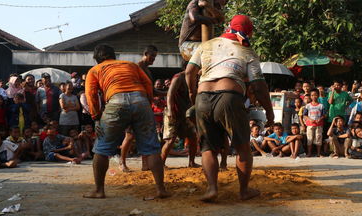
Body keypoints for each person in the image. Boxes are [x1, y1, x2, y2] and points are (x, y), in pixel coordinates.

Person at [186, 15, 274, 202]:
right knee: (242, 147)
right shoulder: (247, 51)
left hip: (203, 97)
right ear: (249, 32)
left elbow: (189, 71)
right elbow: (258, 86)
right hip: (229, 97)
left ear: (228, 27)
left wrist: (192, 93)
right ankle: (243, 191)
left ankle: (211, 189)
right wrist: (270, 111)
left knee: (208, 147)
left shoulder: (206, 45)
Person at [84, 44, 169, 199]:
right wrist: (146, 104)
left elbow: (90, 94)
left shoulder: (95, 70)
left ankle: (99, 190)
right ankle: (161, 190)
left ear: (96, 58)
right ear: (113, 56)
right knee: (151, 148)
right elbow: (148, 84)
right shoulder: (130, 65)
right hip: (141, 100)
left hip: (115, 102)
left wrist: (96, 117)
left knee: (101, 149)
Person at [161, 65, 199, 167]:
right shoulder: (179, 77)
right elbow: (170, 94)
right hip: (173, 112)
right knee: (170, 140)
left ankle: (191, 162)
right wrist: (169, 110)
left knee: (193, 137)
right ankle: (161, 164)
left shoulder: (195, 78)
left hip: (186, 113)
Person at [303, 89, 326, 157]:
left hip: (319, 125)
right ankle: (309, 153)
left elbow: (324, 115)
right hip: (310, 125)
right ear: (310, 96)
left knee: (318, 138)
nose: (314, 96)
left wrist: (320, 119)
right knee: (309, 139)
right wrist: (309, 119)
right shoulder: (308, 106)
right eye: (312, 95)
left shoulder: (321, 105)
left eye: (315, 95)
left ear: (318, 96)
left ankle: (318, 153)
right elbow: (305, 115)